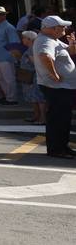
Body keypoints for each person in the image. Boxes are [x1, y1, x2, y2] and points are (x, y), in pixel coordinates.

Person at [32, 15, 75, 158]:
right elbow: (45, 56)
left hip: (62, 87)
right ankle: (57, 149)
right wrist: (54, 74)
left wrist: (72, 45)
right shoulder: (45, 41)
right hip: (57, 87)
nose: (65, 29)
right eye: (62, 26)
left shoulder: (52, 40)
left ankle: (62, 146)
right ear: (52, 29)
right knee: (58, 119)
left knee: (63, 118)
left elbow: (70, 52)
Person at [0, 7, 21, 105]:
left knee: (8, 78)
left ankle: (12, 98)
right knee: (1, 79)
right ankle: (7, 97)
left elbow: (14, 43)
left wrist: (15, 58)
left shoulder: (9, 27)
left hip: (6, 58)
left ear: (4, 15)